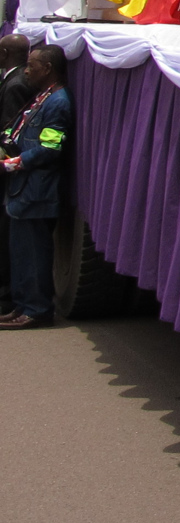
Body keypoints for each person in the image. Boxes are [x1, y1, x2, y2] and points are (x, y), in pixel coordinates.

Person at [2, 44, 71, 330]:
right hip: (22, 192)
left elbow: (50, 148)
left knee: (33, 256)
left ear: (48, 69)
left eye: (32, 66)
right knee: (20, 254)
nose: (27, 71)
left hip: (37, 193)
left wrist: (11, 164)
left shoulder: (58, 102)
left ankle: (37, 310)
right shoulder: (42, 97)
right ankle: (21, 306)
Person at [0, 34, 30, 318]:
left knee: (5, 235)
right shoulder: (14, 80)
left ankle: (6, 296)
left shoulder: (16, 84)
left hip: (9, 173)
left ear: (5, 53)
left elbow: (11, 135)